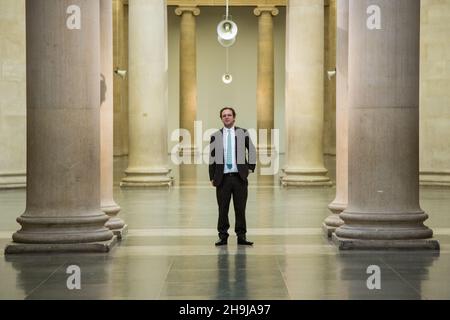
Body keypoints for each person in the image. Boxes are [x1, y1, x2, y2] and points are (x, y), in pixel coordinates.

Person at [209, 107, 256, 246]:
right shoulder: (215, 136)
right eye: (224, 115)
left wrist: (250, 169)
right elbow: (212, 158)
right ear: (221, 118)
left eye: (229, 115)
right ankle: (222, 236)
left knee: (240, 208)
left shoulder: (243, 133)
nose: (227, 117)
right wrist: (212, 176)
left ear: (234, 117)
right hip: (222, 179)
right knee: (222, 209)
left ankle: (241, 236)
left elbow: (252, 151)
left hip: (239, 177)